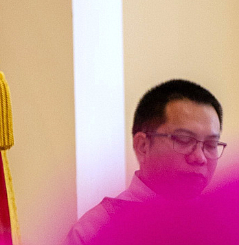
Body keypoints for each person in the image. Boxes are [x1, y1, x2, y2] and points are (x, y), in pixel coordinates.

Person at [65, 79, 226, 245]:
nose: (200, 157)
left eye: (211, 144)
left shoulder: (226, 224)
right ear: (142, 146)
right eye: (184, 139)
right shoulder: (96, 231)